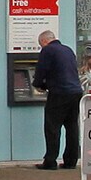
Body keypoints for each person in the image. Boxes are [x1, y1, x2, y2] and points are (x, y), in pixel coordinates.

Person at [33, 28, 83, 170]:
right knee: (72, 126)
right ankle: (70, 161)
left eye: (40, 44)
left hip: (60, 92)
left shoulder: (47, 50)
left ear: (44, 41)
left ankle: (50, 161)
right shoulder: (68, 50)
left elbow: (41, 70)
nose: (41, 47)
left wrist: (38, 85)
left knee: (52, 127)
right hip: (75, 92)